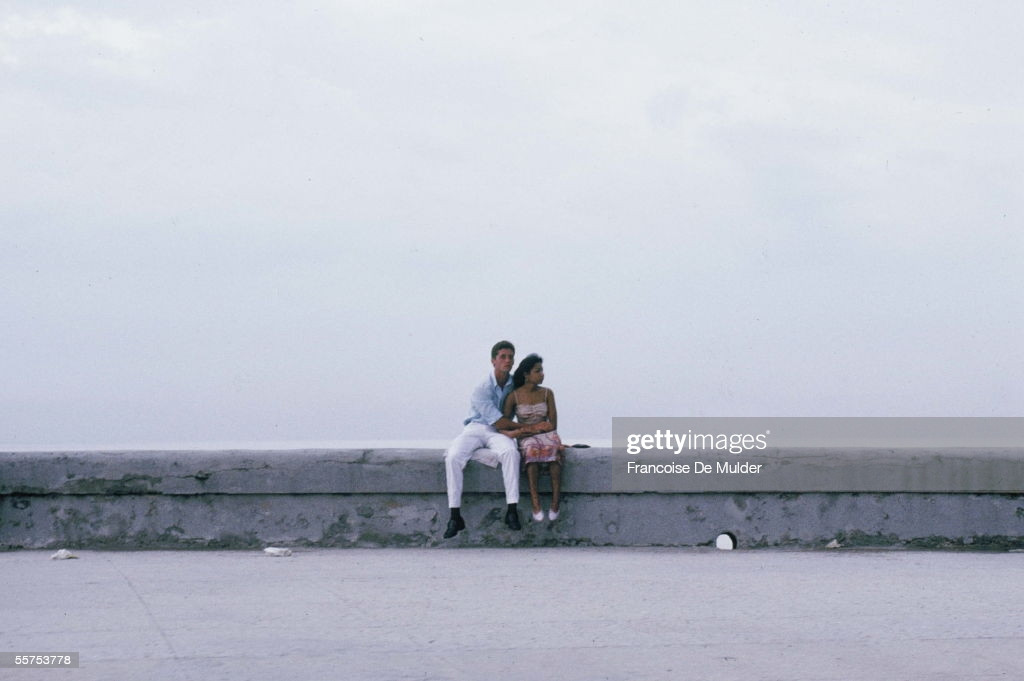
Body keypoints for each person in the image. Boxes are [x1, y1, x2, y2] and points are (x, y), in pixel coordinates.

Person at [442, 341, 550, 539]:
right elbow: (499, 420)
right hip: (476, 428)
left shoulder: (513, 383)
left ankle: (511, 510)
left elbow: (528, 394)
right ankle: (455, 516)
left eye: (511, 357)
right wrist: (529, 429)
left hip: (498, 433)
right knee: (453, 457)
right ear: (493, 361)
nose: (507, 360)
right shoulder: (481, 388)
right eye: (503, 357)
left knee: (510, 453)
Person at [502, 353, 564, 522]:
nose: (542, 374)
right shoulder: (513, 396)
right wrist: (530, 430)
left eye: (542, 370)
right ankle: (535, 501)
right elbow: (504, 423)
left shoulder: (547, 393)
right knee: (531, 451)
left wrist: (539, 429)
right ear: (526, 374)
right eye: (538, 371)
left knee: (553, 449)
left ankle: (555, 500)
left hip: (546, 434)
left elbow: (553, 423)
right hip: (526, 435)